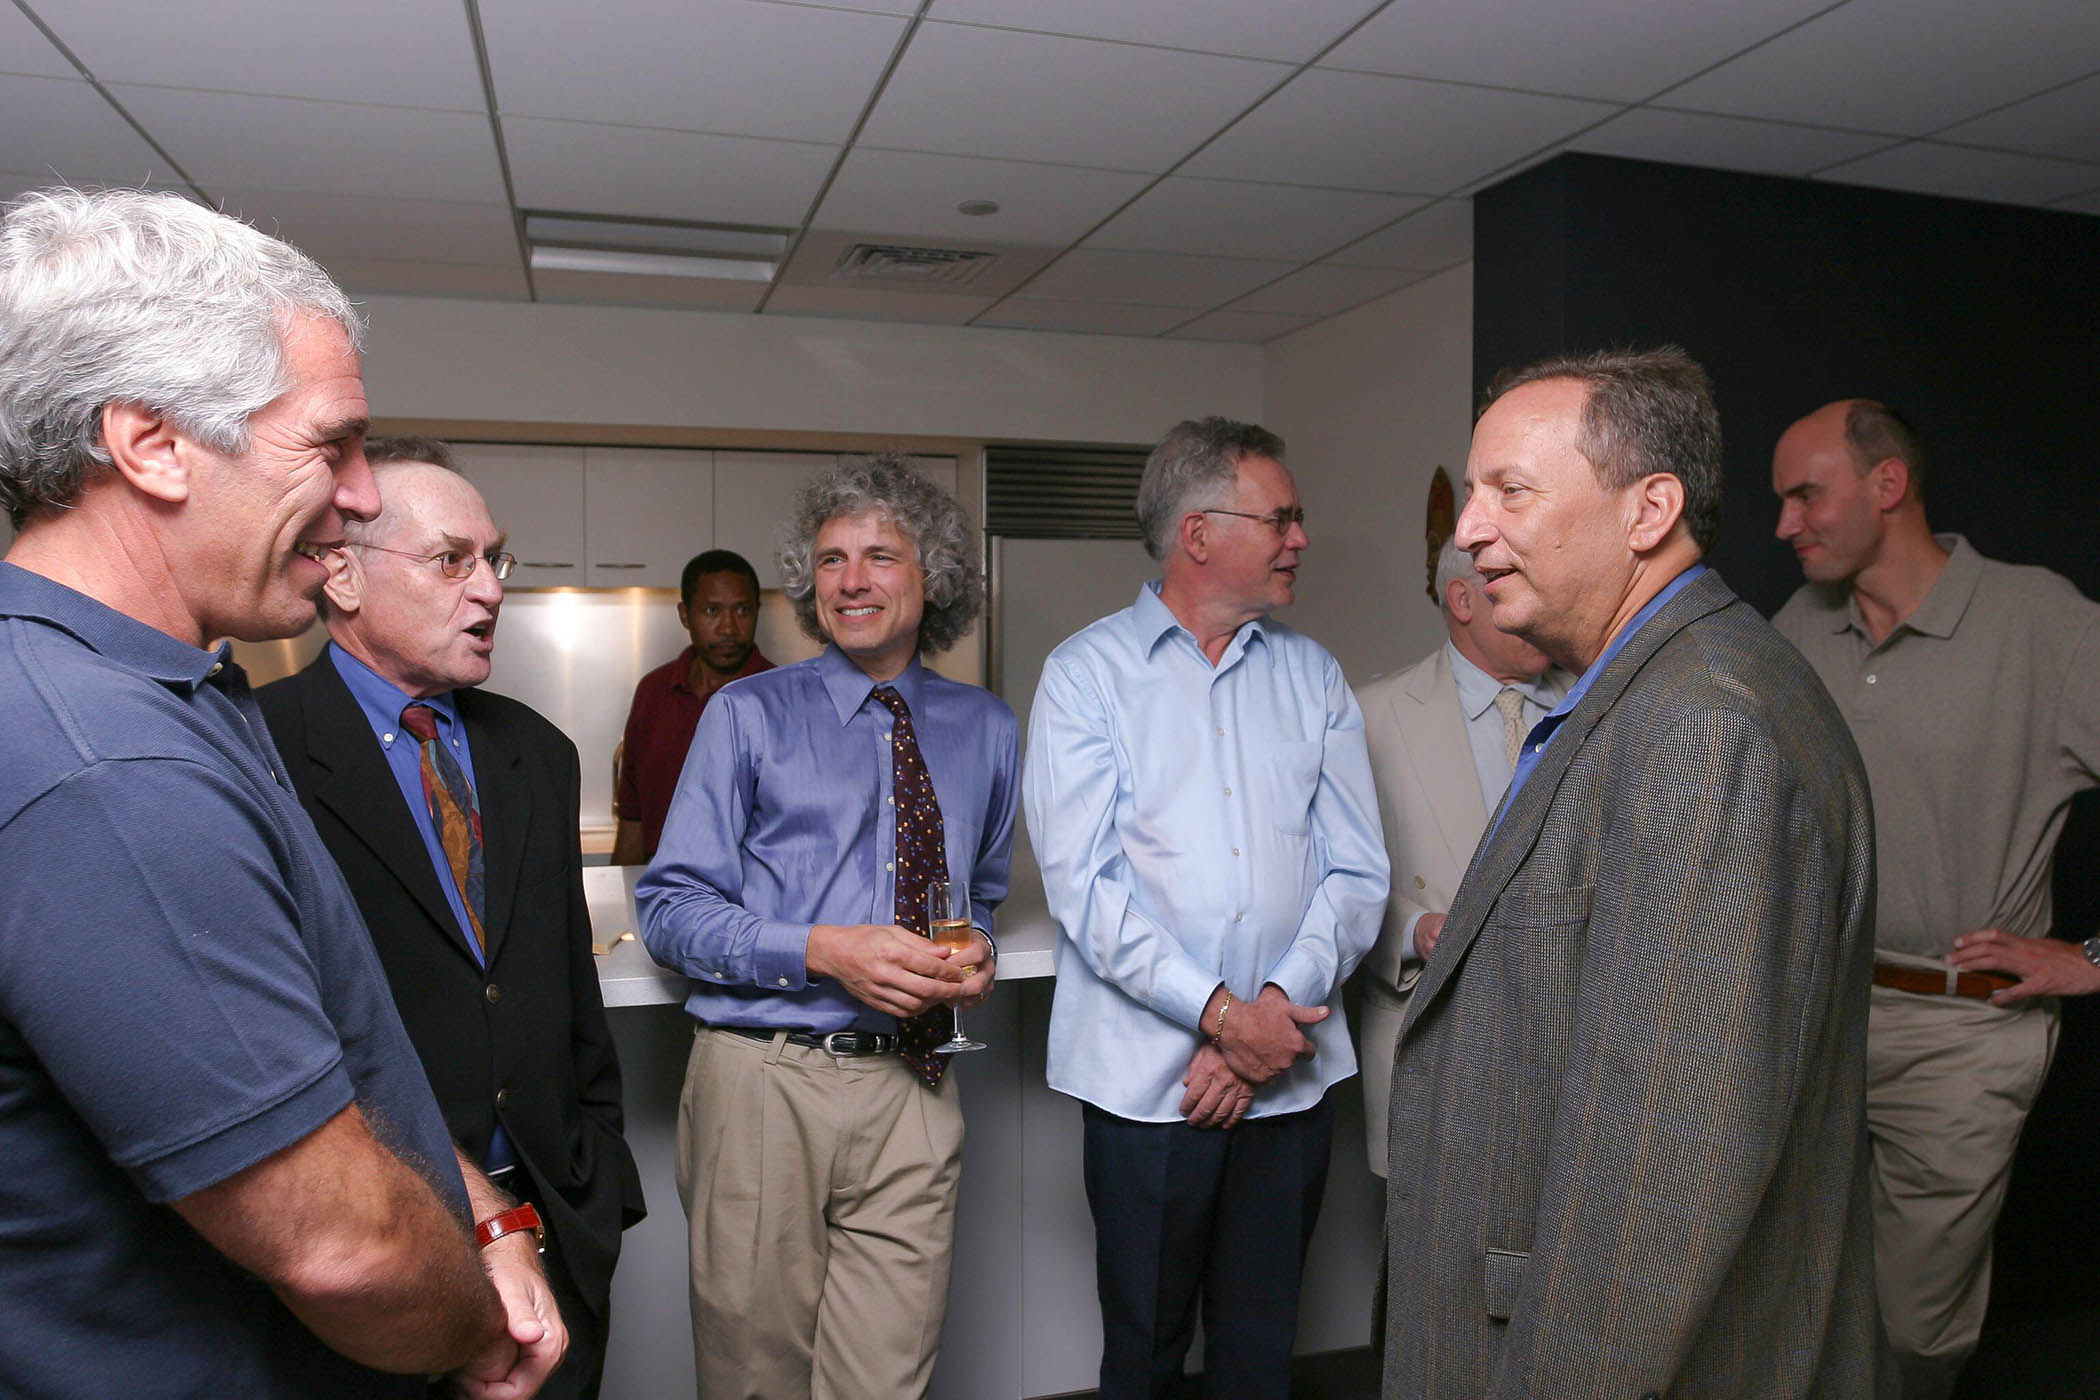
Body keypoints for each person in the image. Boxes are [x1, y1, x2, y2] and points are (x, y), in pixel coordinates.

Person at [0, 187, 563, 1396]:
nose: (360, 494)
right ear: (151, 443)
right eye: (330, 445)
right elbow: (341, 1246)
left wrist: (480, 1208)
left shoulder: (180, 693)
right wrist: (478, 1333)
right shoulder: (111, 768)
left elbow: (328, 1065)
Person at [1382, 348, 1882, 1397]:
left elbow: (1663, 1164)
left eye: (1511, 490)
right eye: (1473, 492)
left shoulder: (1703, 727)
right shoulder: (1656, 693)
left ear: (1649, 510)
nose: (1468, 529)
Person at [257, 437, 646, 1400]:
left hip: (556, 1223)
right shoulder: (255, 750)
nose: (491, 589)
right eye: (451, 560)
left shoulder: (539, 754)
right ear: (342, 573)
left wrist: (598, 1182)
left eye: (494, 558)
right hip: (373, 1239)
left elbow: (568, 990)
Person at [637, 453, 1017, 1399]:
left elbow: (982, 893)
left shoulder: (986, 728)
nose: (850, 580)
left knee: (885, 1381)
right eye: (831, 560)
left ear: (934, 577)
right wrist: (821, 949)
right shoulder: (747, 714)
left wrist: (979, 951)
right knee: (754, 1381)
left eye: (880, 556)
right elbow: (670, 911)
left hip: (916, 1088)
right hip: (765, 1081)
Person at [1025, 417, 1388, 1399]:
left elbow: (1357, 872)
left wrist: (1265, 1014)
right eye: (1282, 518)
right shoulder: (1085, 676)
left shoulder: (1313, 675)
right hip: (1149, 1092)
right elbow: (1086, 889)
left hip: (1289, 1078)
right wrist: (1224, 1019)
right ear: (1198, 533)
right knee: (1144, 1356)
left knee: (1260, 1353)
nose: (1301, 538)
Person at [1771, 398, 2100, 1398]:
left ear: (1888, 484)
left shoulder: (2041, 622)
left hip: (1962, 1034)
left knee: (1913, 1330)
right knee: (1795, 1301)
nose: (1784, 525)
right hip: (1815, 1021)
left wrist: (2092, 959)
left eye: (1806, 495)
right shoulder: (1800, 627)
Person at [1353, 539, 1566, 1178]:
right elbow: (1330, 880)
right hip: (1431, 1049)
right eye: (1516, 582)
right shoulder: (1370, 717)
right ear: (1462, 601)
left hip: (1572, 1054)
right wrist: (1413, 929)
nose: (1544, 603)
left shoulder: (1602, 701)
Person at [610, 548, 771, 865]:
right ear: (685, 615)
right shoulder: (653, 692)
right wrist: (623, 886)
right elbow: (633, 814)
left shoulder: (781, 698)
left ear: (757, 612)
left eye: (742, 610)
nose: (728, 628)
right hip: (663, 882)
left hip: (750, 888)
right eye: (712, 611)